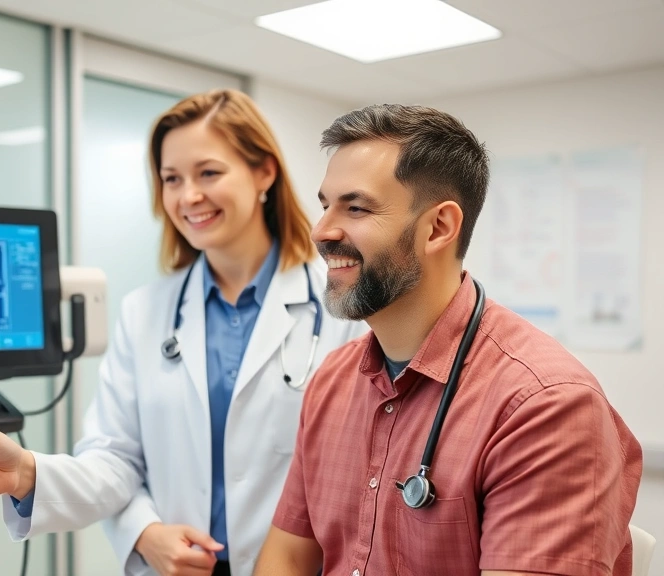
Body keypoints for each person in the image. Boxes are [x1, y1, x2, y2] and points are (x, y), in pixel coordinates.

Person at [0, 89, 365, 576]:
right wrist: (139, 530)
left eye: (208, 173)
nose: (188, 196)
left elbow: (358, 471)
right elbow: (114, 458)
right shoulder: (145, 312)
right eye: (171, 179)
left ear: (264, 171)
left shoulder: (342, 306)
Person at [251, 104, 643, 575]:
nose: (321, 232)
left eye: (355, 208)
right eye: (325, 205)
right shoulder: (332, 380)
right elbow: (288, 559)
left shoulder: (545, 405)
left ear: (438, 227)